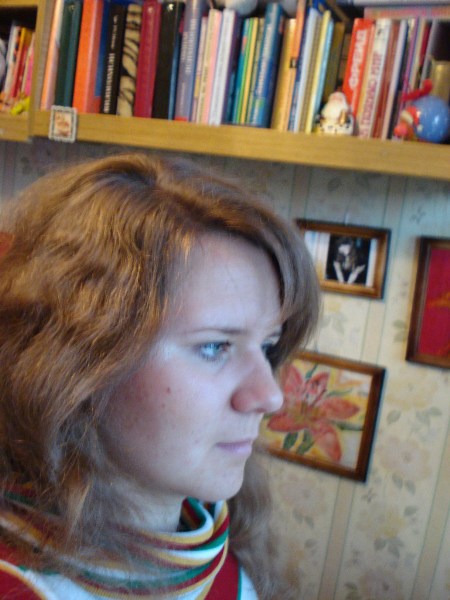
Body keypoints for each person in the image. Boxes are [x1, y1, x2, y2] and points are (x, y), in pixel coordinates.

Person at [0, 153, 320, 599]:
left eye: (268, 346)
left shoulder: (222, 553)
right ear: (73, 364)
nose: (270, 396)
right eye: (215, 347)